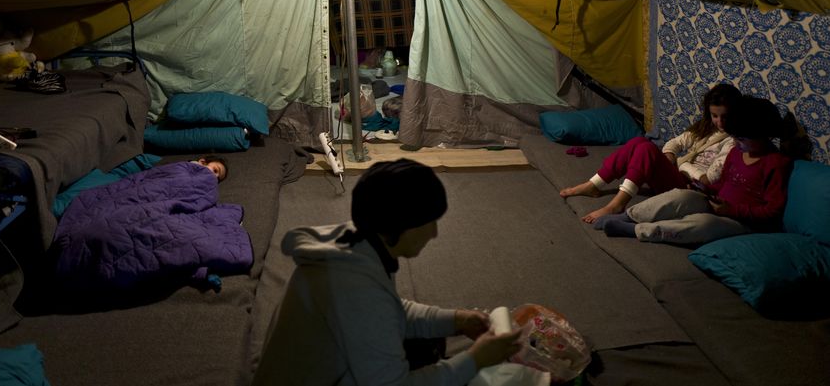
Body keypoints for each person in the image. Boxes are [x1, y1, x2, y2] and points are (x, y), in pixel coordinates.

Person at [251, 159, 522, 386]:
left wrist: (457, 320)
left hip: (317, 363)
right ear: (401, 225)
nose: (435, 233)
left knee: (429, 340)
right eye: (429, 223)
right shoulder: (354, 288)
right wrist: (475, 359)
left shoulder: (359, 237)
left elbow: (388, 310)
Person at [597, 96, 793, 245]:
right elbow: (722, 185)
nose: (737, 143)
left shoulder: (775, 163)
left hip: (743, 222)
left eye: (742, 139)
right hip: (718, 205)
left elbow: (772, 212)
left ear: (761, 135)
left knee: (703, 223)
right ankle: (629, 215)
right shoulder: (736, 153)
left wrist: (731, 210)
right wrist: (707, 190)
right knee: (682, 196)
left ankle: (639, 230)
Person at [560, 83, 742, 224]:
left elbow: (709, 179)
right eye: (715, 116)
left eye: (725, 116)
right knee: (639, 142)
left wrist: (682, 165)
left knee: (646, 149)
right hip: (679, 176)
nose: (719, 122)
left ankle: (617, 205)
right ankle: (594, 184)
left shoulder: (734, 142)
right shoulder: (706, 128)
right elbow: (675, 142)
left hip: (693, 189)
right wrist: (670, 155)